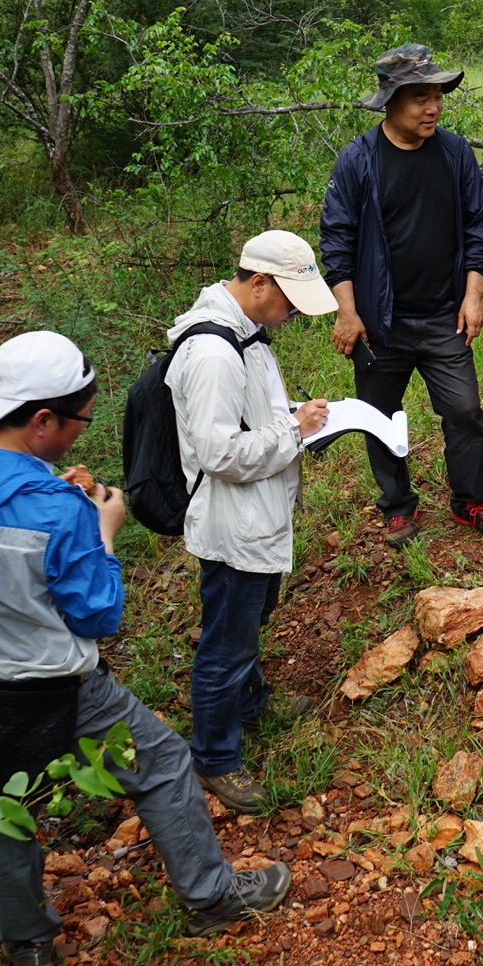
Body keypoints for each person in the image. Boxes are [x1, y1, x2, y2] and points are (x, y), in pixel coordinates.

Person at [0, 331, 290, 966]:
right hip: (61, 684)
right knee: (162, 761)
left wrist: (51, 489)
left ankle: (28, 948)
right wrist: (101, 530)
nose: (82, 431)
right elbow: (98, 614)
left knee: (1, 812)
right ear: (42, 420)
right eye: (79, 419)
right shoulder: (56, 511)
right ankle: (211, 897)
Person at [166, 230, 338, 814]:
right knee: (225, 643)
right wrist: (295, 431)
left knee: (251, 617)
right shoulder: (213, 352)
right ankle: (215, 757)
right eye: (289, 299)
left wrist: (293, 415)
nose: (292, 312)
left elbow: (246, 417)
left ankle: (253, 699)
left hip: (257, 514)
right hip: (232, 524)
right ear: (258, 281)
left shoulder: (246, 334)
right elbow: (217, 453)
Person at [320, 43, 483, 548]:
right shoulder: (359, 160)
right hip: (380, 324)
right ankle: (397, 508)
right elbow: (336, 241)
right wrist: (347, 311)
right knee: (379, 418)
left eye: (436, 96)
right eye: (419, 98)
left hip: (443, 317)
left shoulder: (453, 154)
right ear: (390, 102)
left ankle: (470, 499)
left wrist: (473, 295)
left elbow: (477, 226)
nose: (432, 107)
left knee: (465, 411)